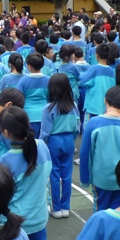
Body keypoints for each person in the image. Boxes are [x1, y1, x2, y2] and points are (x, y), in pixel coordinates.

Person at [0, 106, 61, 240]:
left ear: (5, 132)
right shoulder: (41, 146)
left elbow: (2, 198)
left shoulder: (5, 161)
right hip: (38, 218)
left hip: (15, 224)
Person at [79, 86, 120, 211]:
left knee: (101, 211)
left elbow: (86, 152)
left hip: (101, 178)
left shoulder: (94, 123)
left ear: (105, 100)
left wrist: (85, 178)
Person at [40, 73, 80, 218]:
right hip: (69, 139)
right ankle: (65, 207)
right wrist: (72, 139)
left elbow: (45, 132)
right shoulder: (73, 106)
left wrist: (41, 143)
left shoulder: (48, 108)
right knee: (67, 175)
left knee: (54, 175)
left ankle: (56, 208)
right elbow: (77, 126)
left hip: (54, 141)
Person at [15, 53, 49, 138]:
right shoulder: (48, 80)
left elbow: (17, 97)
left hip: (28, 115)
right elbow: (50, 97)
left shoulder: (23, 80)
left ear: (29, 66)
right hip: (45, 114)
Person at [79, 43, 116, 120]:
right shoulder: (112, 71)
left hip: (94, 107)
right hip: (107, 108)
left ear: (97, 55)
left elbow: (82, 81)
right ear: (109, 55)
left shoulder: (94, 69)